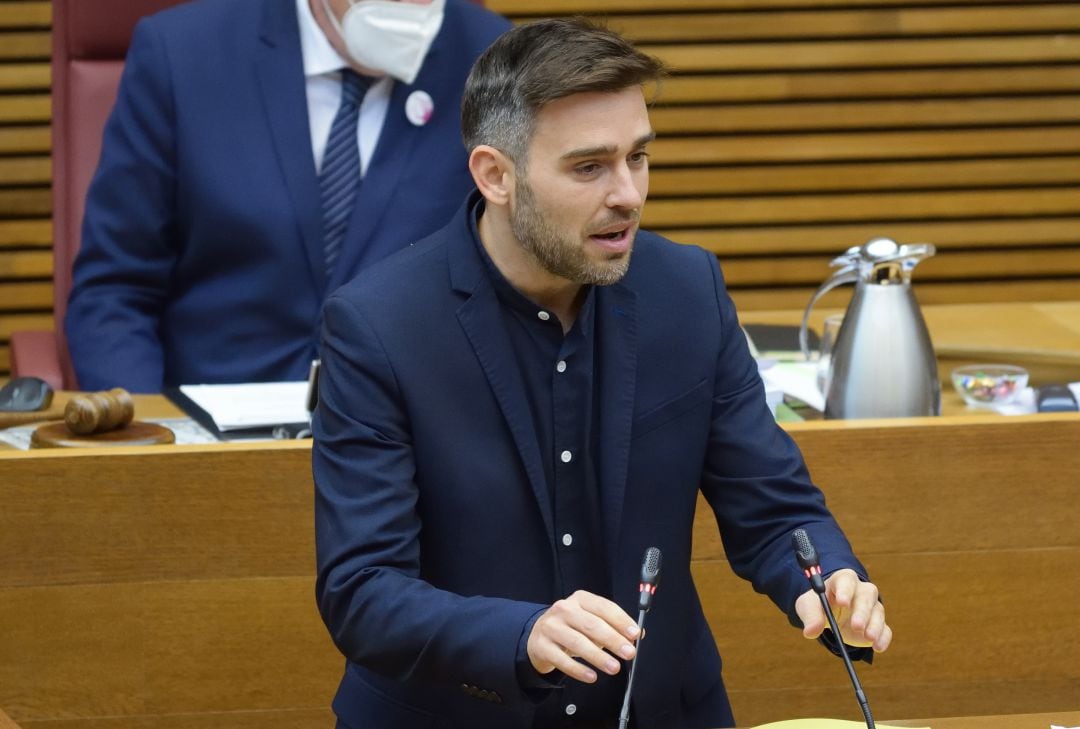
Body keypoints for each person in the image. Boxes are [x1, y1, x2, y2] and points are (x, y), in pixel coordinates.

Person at [312, 17, 892, 729]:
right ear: (496, 174)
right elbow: (363, 590)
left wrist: (828, 580)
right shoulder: (380, 326)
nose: (627, 194)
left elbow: (774, 508)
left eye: (638, 157)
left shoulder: (688, 292)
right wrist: (521, 635)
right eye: (589, 167)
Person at [64, 0, 510, 392]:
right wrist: (151, 441)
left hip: (412, 439)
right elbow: (116, 290)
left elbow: (520, 293)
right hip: (212, 434)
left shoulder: (495, 61)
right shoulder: (182, 52)